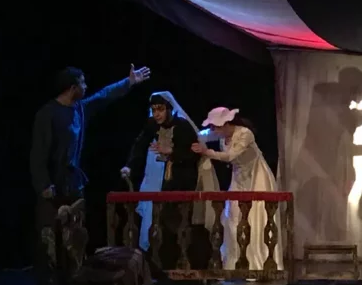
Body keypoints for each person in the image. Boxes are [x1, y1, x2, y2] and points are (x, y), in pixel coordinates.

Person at [29, 64, 150, 285]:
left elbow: (103, 96)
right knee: (48, 235)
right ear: (72, 87)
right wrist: (43, 184)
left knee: (74, 234)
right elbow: (38, 153)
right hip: (52, 185)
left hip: (73, 182)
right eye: (82, 83)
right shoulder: (48, 114)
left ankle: (72, 281)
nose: (86, 87)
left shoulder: (79, 109)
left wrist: (128, 82)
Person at [191, 107, 282, 272]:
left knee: (256, 218)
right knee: (233, 216)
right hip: (238, 178)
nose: (213, 130)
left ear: (226, 124)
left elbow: (230, 156)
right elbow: (201, 134)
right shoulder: (221, 135)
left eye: (215, 126)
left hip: (256, 177)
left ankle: (258, 263)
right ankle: (235, 262)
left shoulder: (245, 134)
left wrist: (207, 151)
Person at [121, 91, 201, 263]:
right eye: (154, 110)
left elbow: (194, 154)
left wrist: (172, 151)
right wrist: (129, 166)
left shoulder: (182, 126)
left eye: (160, 109)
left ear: (169, 109)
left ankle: (181, 261)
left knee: (176, 223)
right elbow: (140, 144)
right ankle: (155, 263)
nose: (156, 114)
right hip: (159, 179)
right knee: (156, 221)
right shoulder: (152, 125)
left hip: (180, 180)